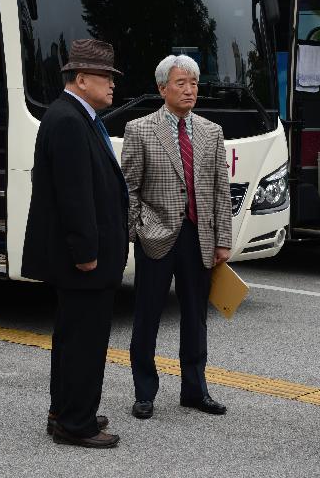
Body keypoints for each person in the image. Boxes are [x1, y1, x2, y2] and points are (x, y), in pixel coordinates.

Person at [21, 39, 129, 448]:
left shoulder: (74, 116)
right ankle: (76, 423)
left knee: (72, 338)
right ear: (81, 79)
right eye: (106, 77)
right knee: (83, 341)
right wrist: (86, 254)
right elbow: (74, 196)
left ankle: (65, 410)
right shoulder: (68, 120)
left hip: (83, 258)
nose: (112, 85)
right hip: (84, 261)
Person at [121, 55, 233, 420]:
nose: (189, 90)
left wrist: (222, 239)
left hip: (199, 236)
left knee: (196, 317)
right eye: (181, 83)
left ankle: (195, 390)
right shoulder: (140, 129)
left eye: (194, 83)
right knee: (148, 315)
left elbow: (220, 189)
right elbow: (129, 188)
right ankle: (145, 392)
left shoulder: (210, 131)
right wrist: (135, 230)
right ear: (162, 88)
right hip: (156, 235)